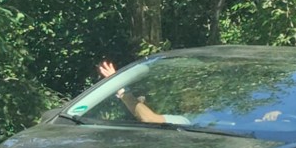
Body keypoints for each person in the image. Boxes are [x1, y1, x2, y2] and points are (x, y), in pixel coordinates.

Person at [98, 60, 281, 125]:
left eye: (192, 92)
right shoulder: (190, 120)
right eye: (184, 92)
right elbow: (150, 118)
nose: (185, 96)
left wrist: (121, 90)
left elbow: (150, 119)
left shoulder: (199, 119)